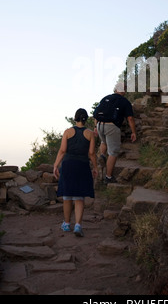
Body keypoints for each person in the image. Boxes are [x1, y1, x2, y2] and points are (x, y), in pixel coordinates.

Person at [53, 108, 98, 237]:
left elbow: (62, 151)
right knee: (79, 197)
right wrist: (95, 167)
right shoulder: (90, 134)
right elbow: (91, 153)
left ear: (75, 118)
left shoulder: (67, 132)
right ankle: (78, 225)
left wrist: (55, 165)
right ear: (86, 119)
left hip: (68, 165)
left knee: (67, 196)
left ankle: (66, 224)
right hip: (82, 165)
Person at [93, 82, 136, 184]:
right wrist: (134, 132)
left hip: (99, 125)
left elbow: (95, 114)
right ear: (124, 90)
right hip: (111, 126)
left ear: (115, 89)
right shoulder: (124, 102)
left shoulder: (105, 98)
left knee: (104, 142)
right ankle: (108, 177)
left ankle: (102, 155)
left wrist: (95, 126)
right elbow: (130, 118)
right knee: (113, 152)